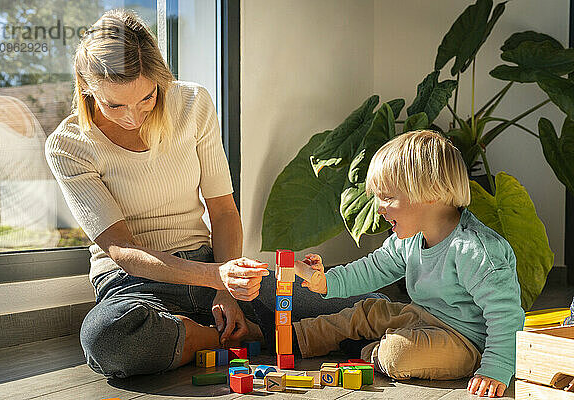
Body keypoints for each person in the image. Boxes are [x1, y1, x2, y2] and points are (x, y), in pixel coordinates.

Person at [46, 9, 383, 380]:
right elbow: (122, 250)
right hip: (134, 287)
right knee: (107, 339)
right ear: (86, 86)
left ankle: (222, 333)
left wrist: (226, 291)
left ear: (160, 80)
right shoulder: (68, 145)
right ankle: (217, 337)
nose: (133, 116)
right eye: (114, 105)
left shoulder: (192, 104)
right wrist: (218, 278)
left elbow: (223, 211)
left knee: (371, 307)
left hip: (211, 267)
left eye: (146, 97)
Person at [257, 131, 525, 398]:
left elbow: (506, 316)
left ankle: (366, 350)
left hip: (464, 342)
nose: (379, 207)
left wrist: (496, 367)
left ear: (430, 192)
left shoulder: (474, 249)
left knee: (398, 355)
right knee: (365, 312)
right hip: (421, 318)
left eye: (387, 197)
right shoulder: (410, 239)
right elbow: (371, 269)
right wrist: (323, 280)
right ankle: (293, 338)